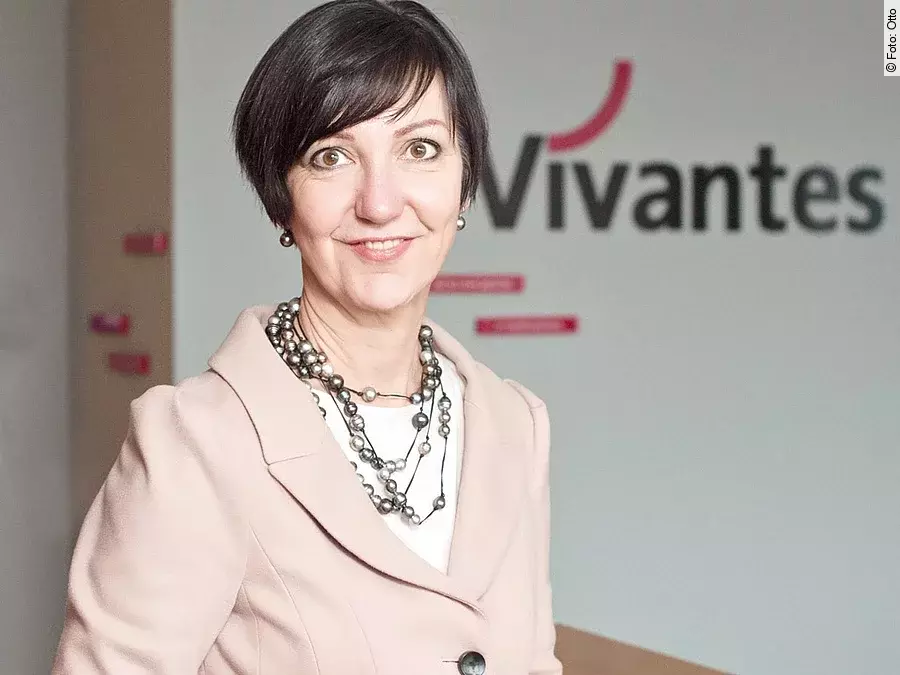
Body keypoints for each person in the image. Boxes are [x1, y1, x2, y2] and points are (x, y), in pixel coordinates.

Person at [52, 1, 561, 673]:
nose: (380, 203)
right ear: (282, 199)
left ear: (464, 183)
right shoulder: (198, 443)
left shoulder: (515, 425)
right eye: (332, 156)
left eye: (420, 149)